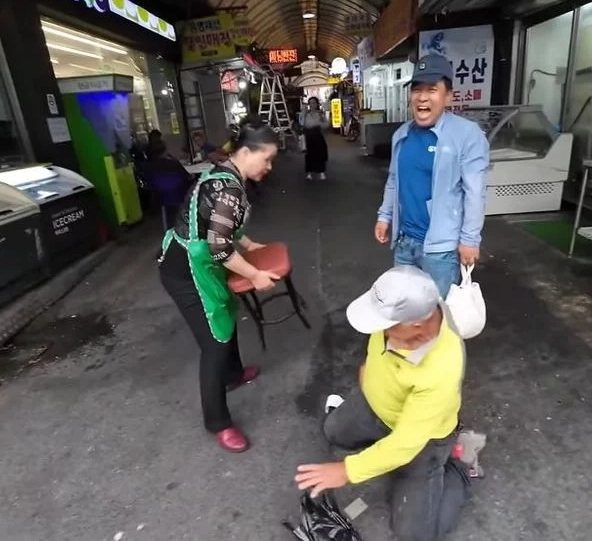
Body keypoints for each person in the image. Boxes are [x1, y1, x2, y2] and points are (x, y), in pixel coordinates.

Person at [294, 266, 473, 541]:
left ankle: (457, 468)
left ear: (417, 326)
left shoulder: (443, 365)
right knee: (333, 431)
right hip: (373, 406)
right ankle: (384, 455)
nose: (379, 330)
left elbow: (406, 443)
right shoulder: (400, 322)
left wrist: (347, 471)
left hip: (423, 442)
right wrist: (368, 373)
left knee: (414, 535)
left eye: (385, 325)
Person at [158, 122, 280, 453]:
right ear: (246, 151)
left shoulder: (224, 173)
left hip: (200, 264)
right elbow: (221, 248)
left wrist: (250, 243)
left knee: (226, 313)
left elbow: (218, 225)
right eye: (266, 159)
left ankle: (234, 374)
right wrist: (255, 275)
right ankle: (217, 421)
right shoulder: (230, 188)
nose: (268, 167)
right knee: (214, 342)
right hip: (185, 272)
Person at [373, 54, 490, 298]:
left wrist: (470, 240)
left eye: (432, 89)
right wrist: (385, 217)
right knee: (407, 314)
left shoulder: (467, 135)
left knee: (440, 319)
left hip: (441, 251)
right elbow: (394, 180)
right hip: (405, 243)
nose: (422, 97)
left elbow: (475, 192)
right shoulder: (402, 135)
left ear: (448, 96)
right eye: (417, 89)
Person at [302, 97, 329, 181]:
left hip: (317, 135)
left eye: (314, 103)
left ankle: (321, 172)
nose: (312, 105)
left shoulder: (320, 114)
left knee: (320, 153)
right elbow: (302, 123)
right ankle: (309, 173)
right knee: (309, 155)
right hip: (309, 135)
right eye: (310, 103)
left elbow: (326, 125)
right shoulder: (306, 114)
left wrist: (320, 122)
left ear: (317, 104)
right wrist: (303, 113)